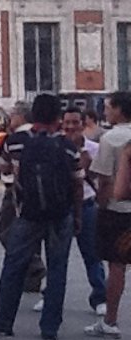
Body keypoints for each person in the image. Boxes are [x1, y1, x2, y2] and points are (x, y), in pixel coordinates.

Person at [0, 93, 81, 340]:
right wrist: (77, 215)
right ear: (58, 118)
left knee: (14, 265)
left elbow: (4, 170)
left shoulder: (15, 142)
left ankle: (3, 320)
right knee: (57, 269)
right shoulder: (68, 147)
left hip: (27, 213)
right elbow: (77, 183)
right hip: (60, 215)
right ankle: (50, 327)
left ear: (33, 115)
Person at [85, 91, 131, 339]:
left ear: (119, 110)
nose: (105, 112)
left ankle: (110, 320)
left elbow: (104, 180)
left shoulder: (111, 139)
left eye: (108, 107)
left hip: (118, 210)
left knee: (117, 265)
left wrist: (100, 204)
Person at [0, 102, 45, 295]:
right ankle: (32, 279)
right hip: (42, 192)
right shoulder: (42, 135)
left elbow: (4, 167)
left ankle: (34, 266)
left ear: (21, 116)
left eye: (13, 114)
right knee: (34, 233)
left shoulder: (14, 139)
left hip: (16, 192)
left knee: (6, 231)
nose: (10, 118)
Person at [61, 106, 106, 316]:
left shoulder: (95, 149)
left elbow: (100, 177)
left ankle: (100, 296)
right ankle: (51, 294)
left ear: (83, 124)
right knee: (57, 255)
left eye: (75, 122)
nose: (71, 127)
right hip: (62, 206)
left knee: (92, 253)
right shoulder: (56, 146)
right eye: (67, 122)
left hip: (87, 204)